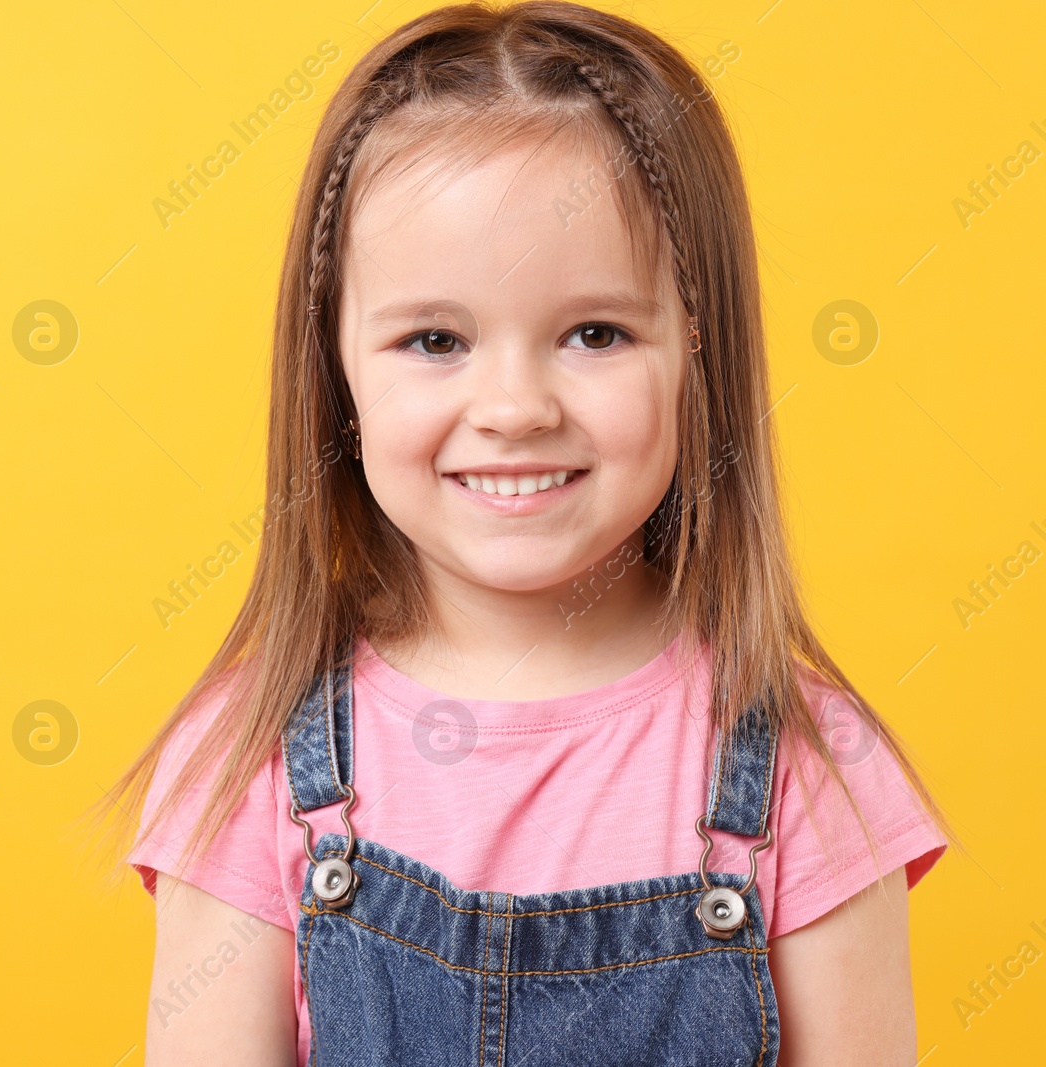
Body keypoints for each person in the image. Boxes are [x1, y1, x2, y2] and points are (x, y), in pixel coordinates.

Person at [95, 3, 951, 1063]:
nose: (514, 406)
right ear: (336, 367)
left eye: (594, 332)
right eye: (434, 338)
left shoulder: (804, 771)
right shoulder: (251, 763)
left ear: (698, 346)